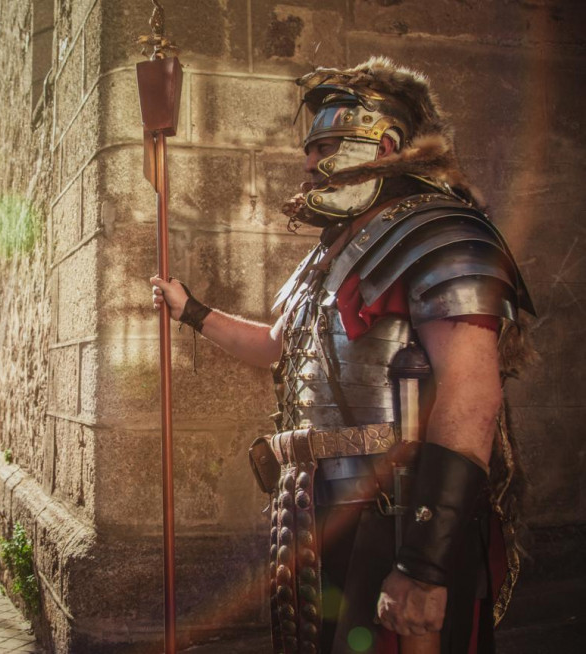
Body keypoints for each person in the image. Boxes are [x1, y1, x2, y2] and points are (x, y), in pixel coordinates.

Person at [151, 57, 534, 653]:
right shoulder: (332, 254)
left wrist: (426, 565)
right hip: (317, 509)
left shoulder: (444, 235)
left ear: (385, 143)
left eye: (326, 144)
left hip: (399, 516)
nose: (308, 163)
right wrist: (192, 312)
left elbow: (471, 397)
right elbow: (279, 347)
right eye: (311, 148)